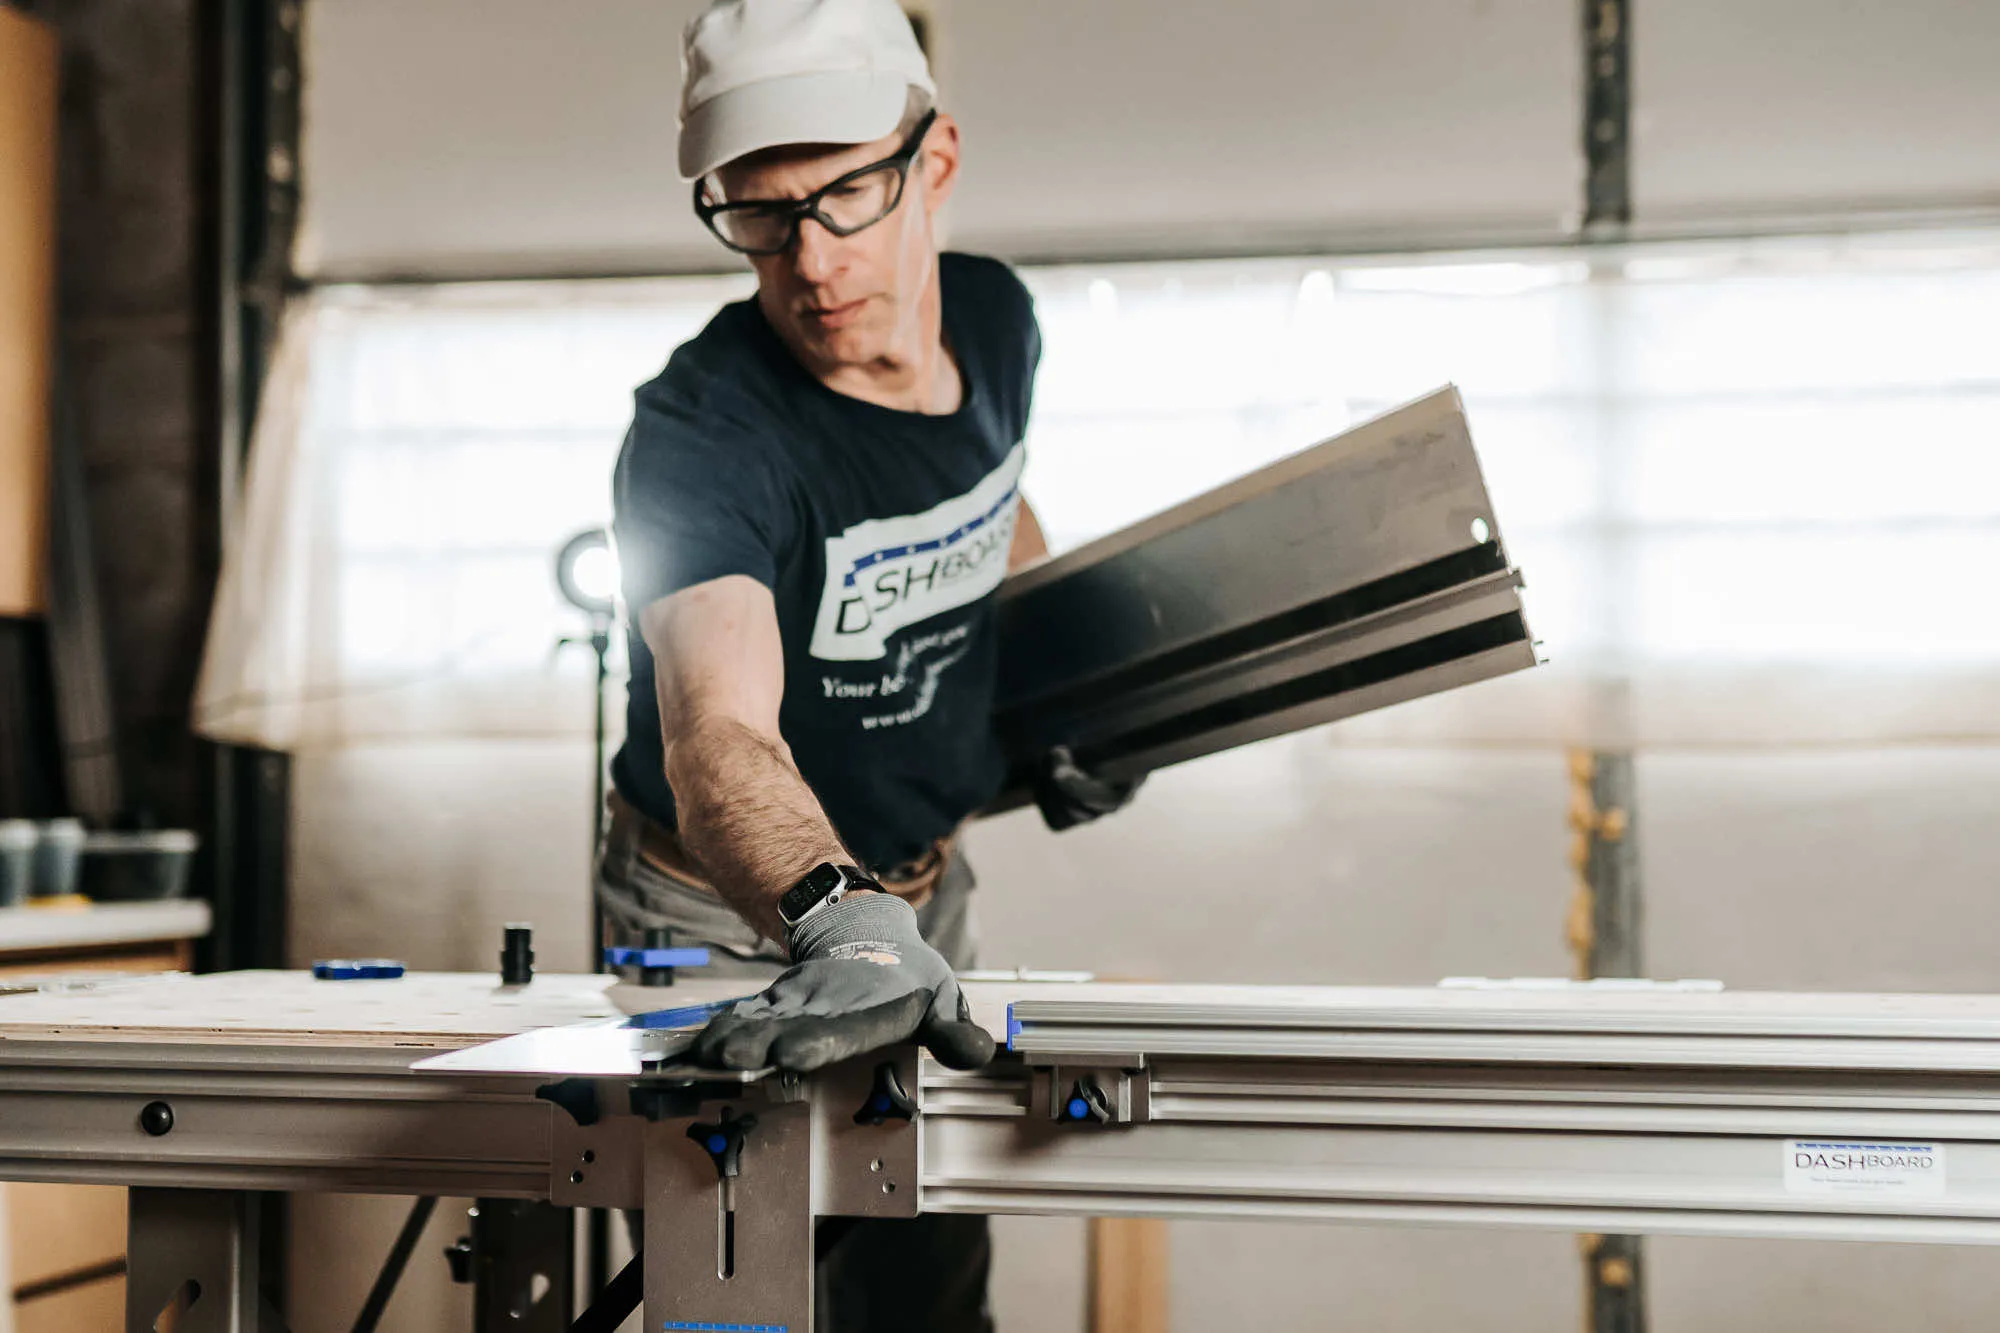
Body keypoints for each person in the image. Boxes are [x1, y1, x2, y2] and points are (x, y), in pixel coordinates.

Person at [596, 1, 1135, 1327]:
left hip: (922, 895)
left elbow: (991, 507)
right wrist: (836, 918)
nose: (811, 261)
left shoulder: (998, 322)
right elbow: (717, 730)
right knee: (738, 1296)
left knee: (925, 1280)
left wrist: (1074, 696)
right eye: (759, 216)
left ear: (934, 160)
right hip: (727, 918)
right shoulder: (699, 438)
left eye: (843, 197)